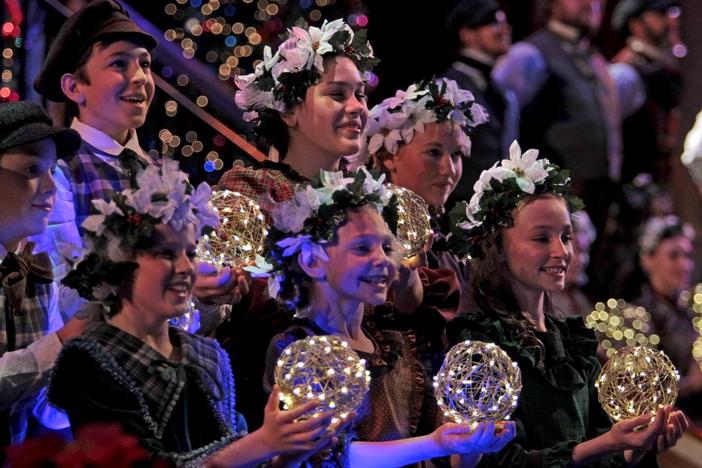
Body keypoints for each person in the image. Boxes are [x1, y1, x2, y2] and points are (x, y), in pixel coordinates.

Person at [48, 160, 336, 465]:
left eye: (190, 252)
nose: (186, 268)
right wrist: (263, 443)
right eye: (166, 253)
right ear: (120, 261)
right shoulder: (92, 358)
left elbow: (234, 453)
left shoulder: (205, 354)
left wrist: (285, 457)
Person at [447, 141, 688, 466]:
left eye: (566, 236)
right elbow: (495, 463)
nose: (561, 252)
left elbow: (607, 452)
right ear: (499, 247)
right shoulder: (483, 347)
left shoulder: (573, 343)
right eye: (541, 238)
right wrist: (603, 445)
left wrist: (638, 445)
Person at [254, 167, 516, 466]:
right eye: (363, 247)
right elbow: (332, 456)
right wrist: (436, 443)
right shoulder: (297, 351)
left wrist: (471, 443)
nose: (382, 259)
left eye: (387, 246)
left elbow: (451, 456)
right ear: (312, 261)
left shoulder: (399, 346)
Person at [32, 0, 246, 327]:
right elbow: (63, 298)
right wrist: (176, 291)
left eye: (144, 65)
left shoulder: (170, 179)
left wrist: (209, 295)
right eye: (118, 64)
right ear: (74, 87)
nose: (139, 78)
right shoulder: (59, 172)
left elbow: (196, 319)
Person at [355, 77, 487, 372]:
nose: (449, 170)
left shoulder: (449, 238)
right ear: (389, 156)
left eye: (455, 155)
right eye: (434, 153)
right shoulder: (371, 231)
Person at [492, 0, 620, 234]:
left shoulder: (592, 58)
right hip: (551, 203)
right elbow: (495, 115)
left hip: (597, 199)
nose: (591, 3)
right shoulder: (530, 53)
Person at [0, 102, 85, 447]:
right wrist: (62, 342)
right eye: (33, 168)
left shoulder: (36, 268)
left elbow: (47, 409)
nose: (51, 187)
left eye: (52, 170)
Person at [442, 0, 518, 208]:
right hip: (460, 205)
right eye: (494, 23)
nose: (505, 29)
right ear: (467, 34)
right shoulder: (447, 87)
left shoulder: (501, 90)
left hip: (493, 206)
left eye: (505, 22)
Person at [633, 215, 702, 424]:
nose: (685, 265)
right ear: (648, 259)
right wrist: (692, 382)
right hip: (672, 431)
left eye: (688, 256)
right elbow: (642, 392)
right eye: (674, 256)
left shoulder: (690, 310)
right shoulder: (637, 315)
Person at [610, 0, 683, 183]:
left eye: (672, 13)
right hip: (624, 195)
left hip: (652, 193)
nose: (671, 21)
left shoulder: (661, 75)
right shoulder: (624, 75)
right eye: (660, 14)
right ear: (635, 24)